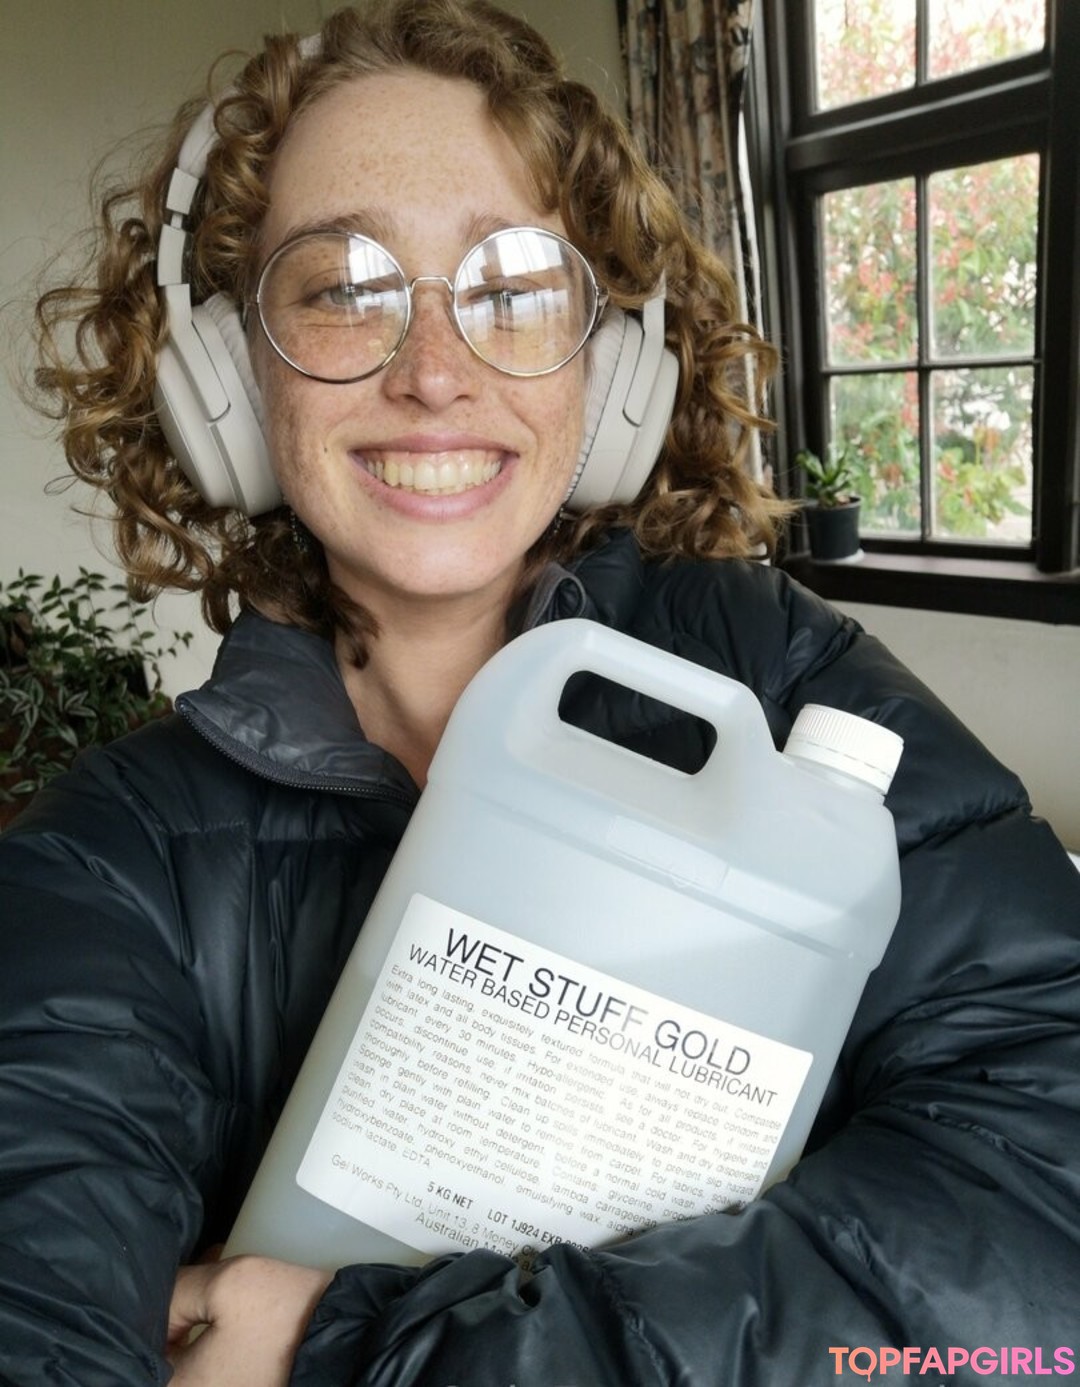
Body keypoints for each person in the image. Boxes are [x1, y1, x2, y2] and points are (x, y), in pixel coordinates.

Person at [3, 1, 1079, 1383]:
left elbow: (1041, 1244)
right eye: (340, 288)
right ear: (228, 375)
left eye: (513, 291)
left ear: (610, 365)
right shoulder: (115, 859)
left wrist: (348, 1349)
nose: (433, 374)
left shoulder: (781, 675)